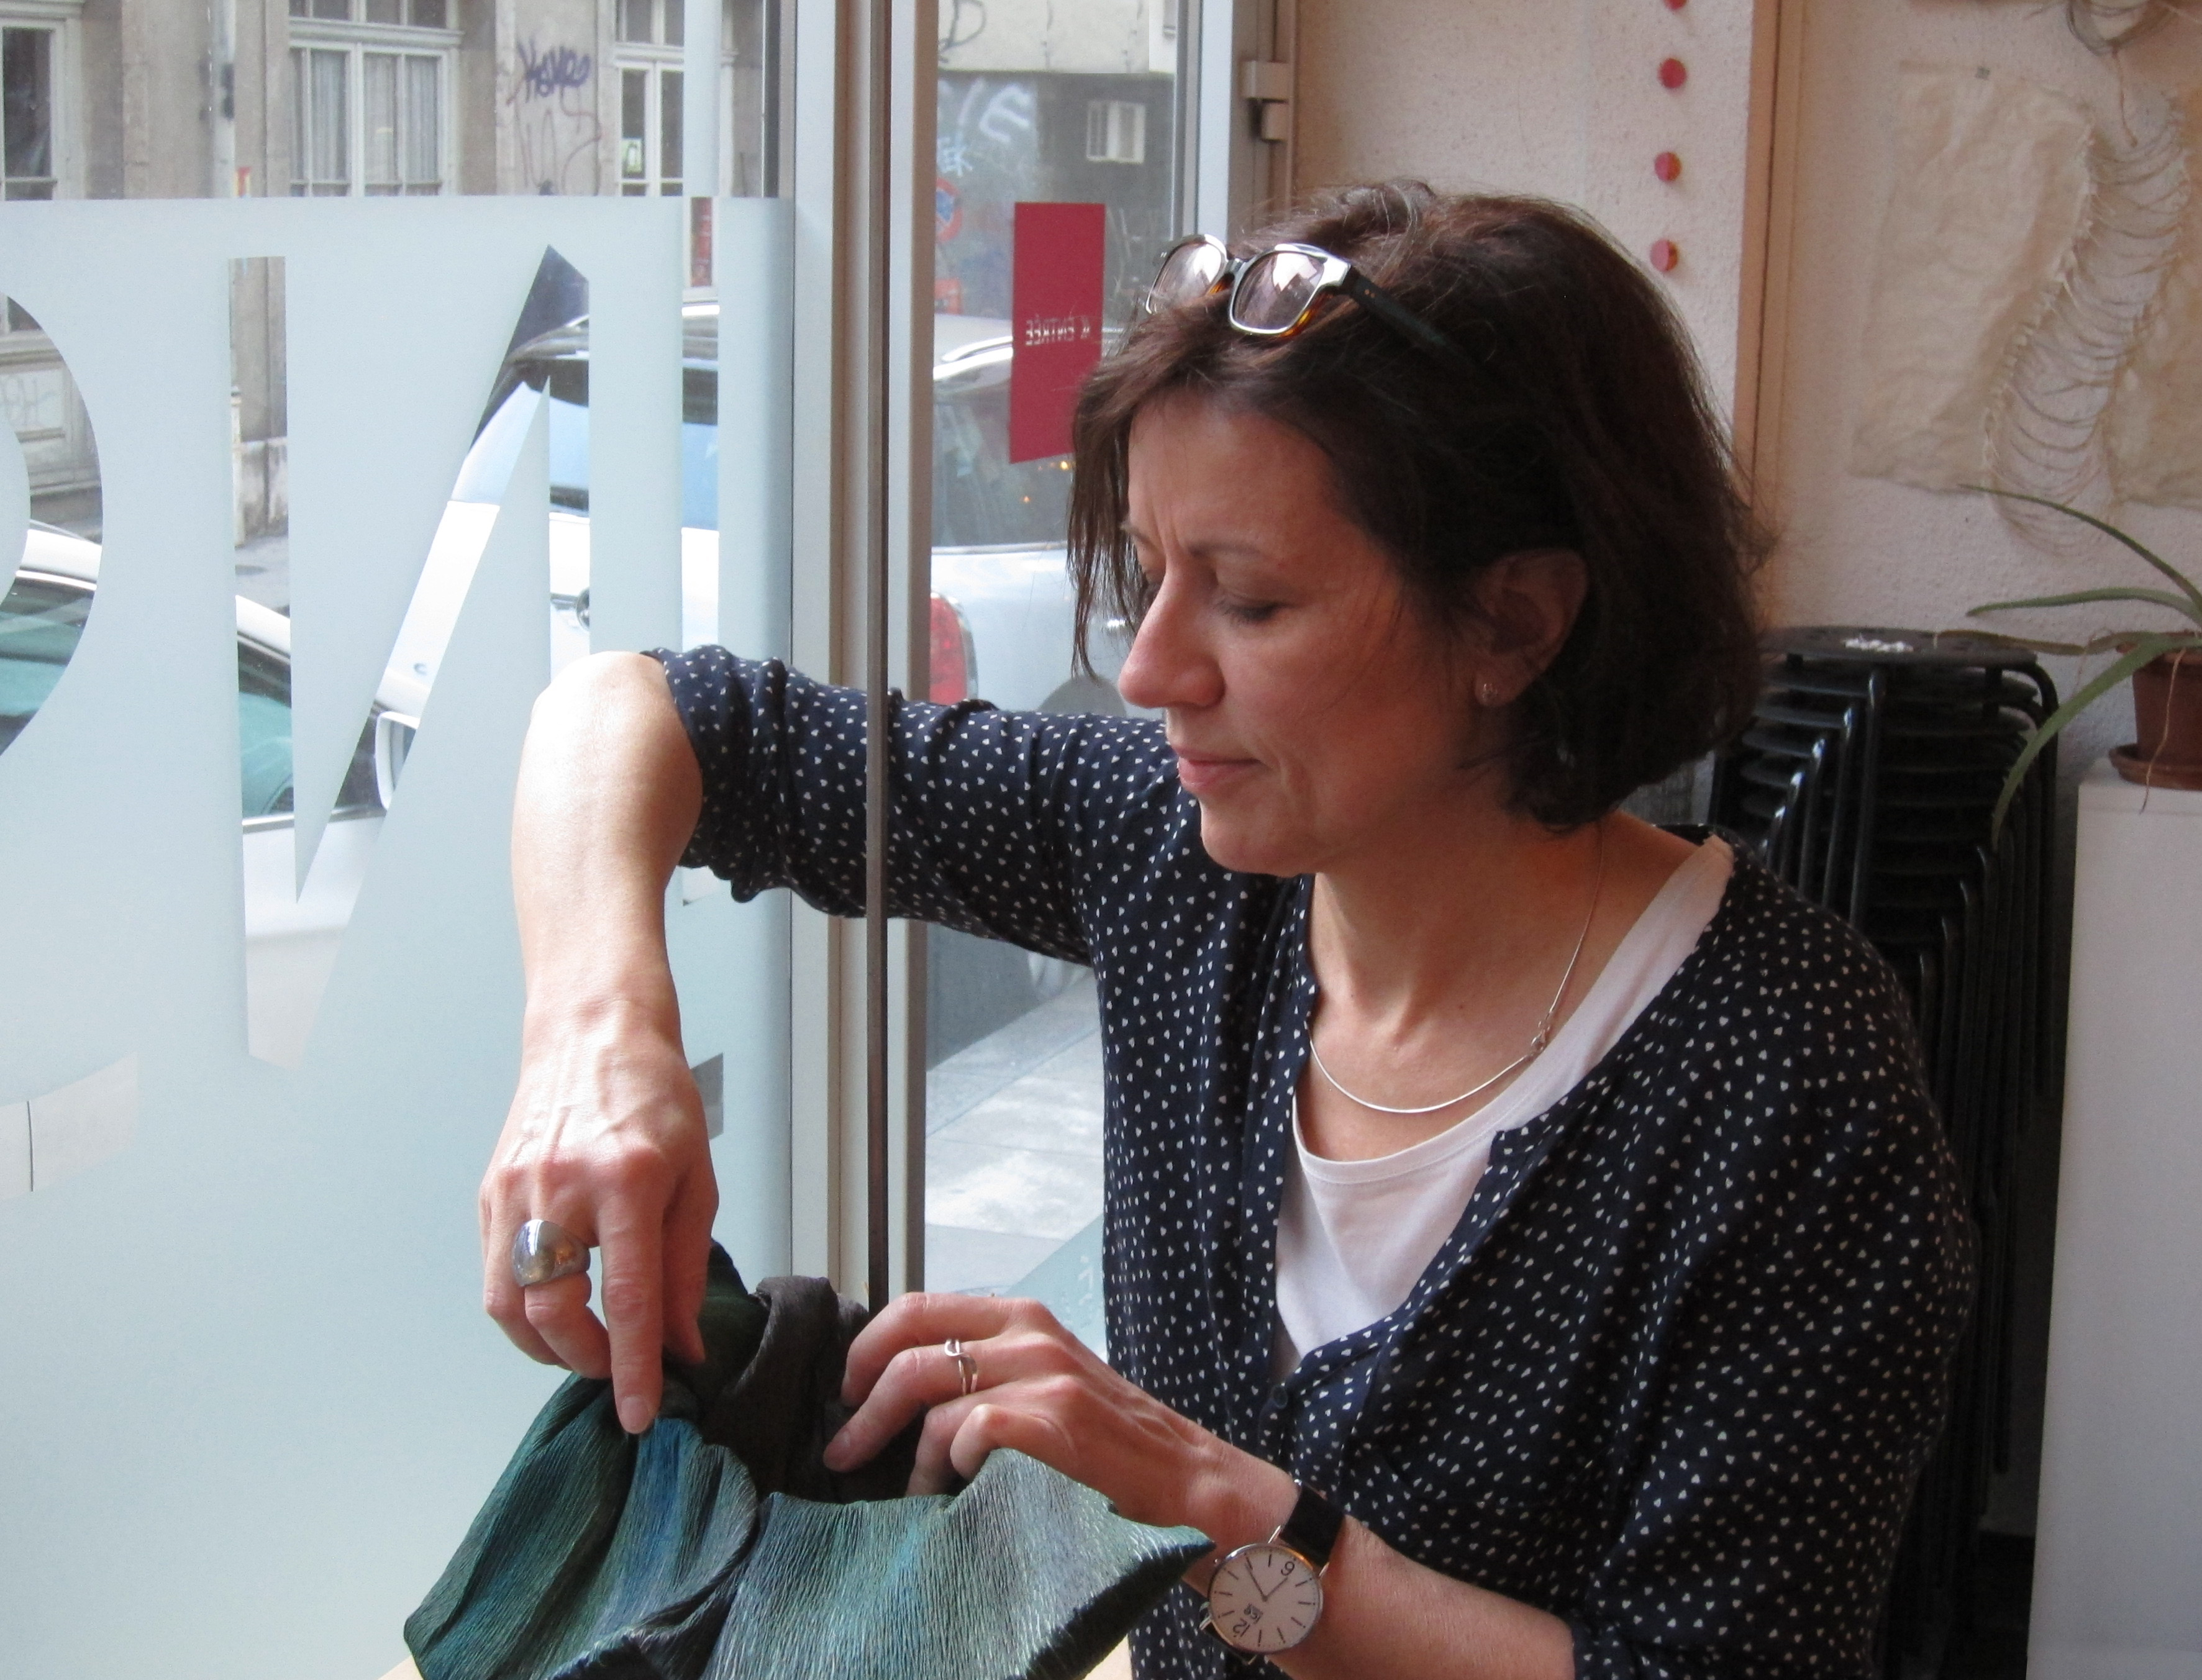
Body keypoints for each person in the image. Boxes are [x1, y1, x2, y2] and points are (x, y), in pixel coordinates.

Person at [479, 183, 1973, 1679]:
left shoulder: (1792, 1086)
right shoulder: (1175, 851)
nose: (1148, 670)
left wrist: (1209, 1504)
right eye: (1150, 574)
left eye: (1247, 603)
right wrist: (595, 1042)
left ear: (1515, 624)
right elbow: (643, 714)